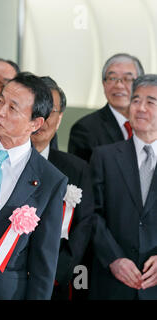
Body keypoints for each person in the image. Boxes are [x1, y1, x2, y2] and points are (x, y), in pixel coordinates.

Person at [0, 72, 68, 300]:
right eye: (1, 101)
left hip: (3, 293)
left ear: (35, 123)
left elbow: (43, 267)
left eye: (13, 108)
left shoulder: (50, 180)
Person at [89, 74, 157, 299]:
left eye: (151, 102)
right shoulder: (104, 156)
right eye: (136, 100)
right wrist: (113, 258)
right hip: (112, 283)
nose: (140, 108)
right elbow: (92, 213)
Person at [31, 76, 94, 300]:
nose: (43, 119)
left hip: (57, 279)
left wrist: (58, 270)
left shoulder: (77, 169)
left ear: (59, 119)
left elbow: (84, 224)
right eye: (38, 109)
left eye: (51, 111)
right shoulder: (3, 163)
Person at [68, 53, 144, 162]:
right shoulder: (84, 130)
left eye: (127, 79)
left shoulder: (151, 124)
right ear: (104, 84)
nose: (119, 85)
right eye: (112, 78)